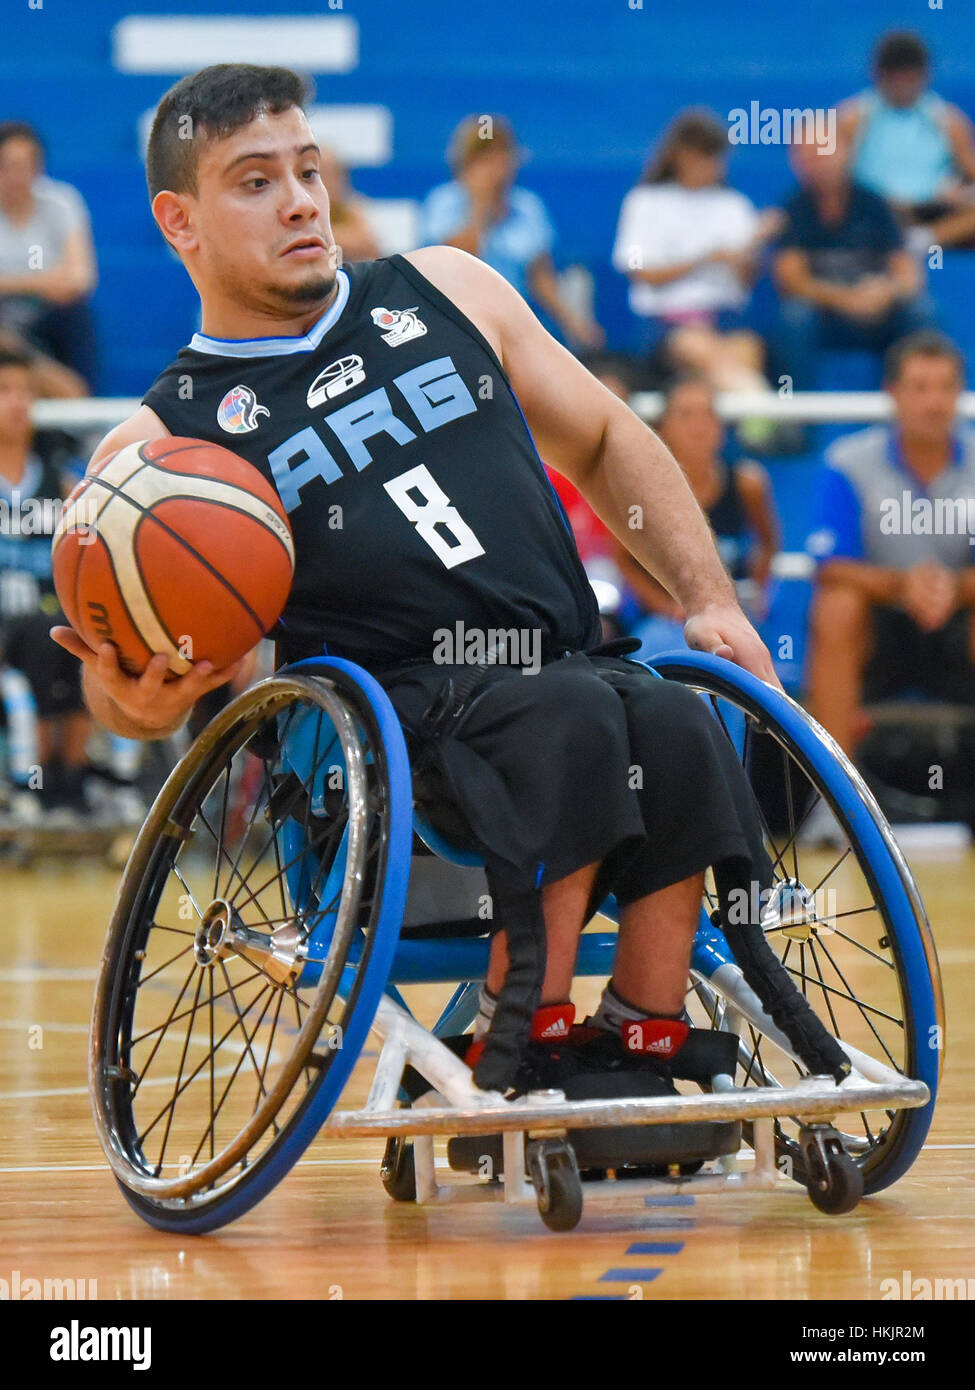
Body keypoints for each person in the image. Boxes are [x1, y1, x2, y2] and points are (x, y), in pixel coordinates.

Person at [53, 65, 846, 1102]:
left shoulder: (449, 286)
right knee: (563, 714)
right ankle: (527, 1032)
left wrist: (709, 597)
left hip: (566, 665)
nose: (300, 199)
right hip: (394, 725)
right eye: (254, 182)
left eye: (306, 169)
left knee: (681, 719)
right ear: (178, 220)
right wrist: (135, 701)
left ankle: (646, 1034)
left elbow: (606, 435)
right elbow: (118, 688)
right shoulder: (160, 451)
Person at [807, 330, 975, 761]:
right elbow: (830, 566)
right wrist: (904, 586)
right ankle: (835, 802)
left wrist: (954, 589)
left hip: (958, 631)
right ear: (893, 394)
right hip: (881, 636)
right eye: (919, 388)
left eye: (945, 387)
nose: (934, 403)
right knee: (836, 606)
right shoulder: (851, 462)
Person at [612, 110, 782, 402]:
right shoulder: (644, 203)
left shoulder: (734, 206)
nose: (712, 166)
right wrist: (705, 259)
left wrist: (749, 254)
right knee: (701, 349)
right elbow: (640, 271)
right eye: (704, 156)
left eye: (716, 157)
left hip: (726, 320)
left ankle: (754, 421)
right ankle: (764, 417)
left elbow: (746, 282)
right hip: (666, 324)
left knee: (747, 350)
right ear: (680, 155)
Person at [615, 376, 780, 659]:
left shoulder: (748, 483)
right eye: (686, 414)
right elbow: (623, 559)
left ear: (722, 429)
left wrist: (755, 592)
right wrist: (667, 609)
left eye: (709, 414)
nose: (699, 425)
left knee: (743, 656)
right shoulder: (639, 489)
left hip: (731, 618)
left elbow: (768, 542)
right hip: (663, 621)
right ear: (662, 427)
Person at [419, 114, 603, 351]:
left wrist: (573, 322)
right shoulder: (442, 202)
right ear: (466, 163)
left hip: (512, 326)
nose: (496, 166)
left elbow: (540, 277)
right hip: (454, 322)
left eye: (502, 154)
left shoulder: (528, 206)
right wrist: (479, 206)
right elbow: (457, 263)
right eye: (485, 158)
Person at [0, 346, 91, 820]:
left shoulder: (56, 476)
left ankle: (71, 784)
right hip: (7, 626)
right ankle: (32, 783)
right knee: (36, 638)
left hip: (46, 613)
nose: (18, 403)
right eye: (4, 391)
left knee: (81, 633)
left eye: (26, 393)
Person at [773, 133, 934, 391]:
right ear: (797, 162)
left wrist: (886, 291)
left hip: (878, 313)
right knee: (794, 318)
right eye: (810, 155)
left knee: (922, 312)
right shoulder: (794, 209)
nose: (820, 162)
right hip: (826, 316)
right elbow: (791, 280)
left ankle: (923, 404)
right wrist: (846, 299)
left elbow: (909, 275)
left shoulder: (875, 205)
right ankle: (797, 420)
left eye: (825, 152)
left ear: (846, 153)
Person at [839, 31, 975, 251]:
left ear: (925, 75)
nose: (903, 87)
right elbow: (833, 177)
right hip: (876, 208)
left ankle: (920, 240)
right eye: (896, 79)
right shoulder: (852, 118)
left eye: (910, 79)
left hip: (933, 210)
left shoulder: (949, 120)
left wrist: (963, 193)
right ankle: (904, 239)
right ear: (878, 75)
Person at [0, 122, 98, 391]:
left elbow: (81, 279)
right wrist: (44, 281)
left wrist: (9, 284)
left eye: (24, 166)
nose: (15, 177)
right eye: (7, 166)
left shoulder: (61, 201)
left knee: (75, 315)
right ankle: (60, 386)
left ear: (38, 168)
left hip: (46, 320)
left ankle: (83, 419)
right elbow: (61, 280)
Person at [318, 146, 381, 262]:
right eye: (322, 174)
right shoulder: (301, 210)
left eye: (335, 174)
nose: (331, 182)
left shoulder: (351, 208)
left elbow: (369, 244)